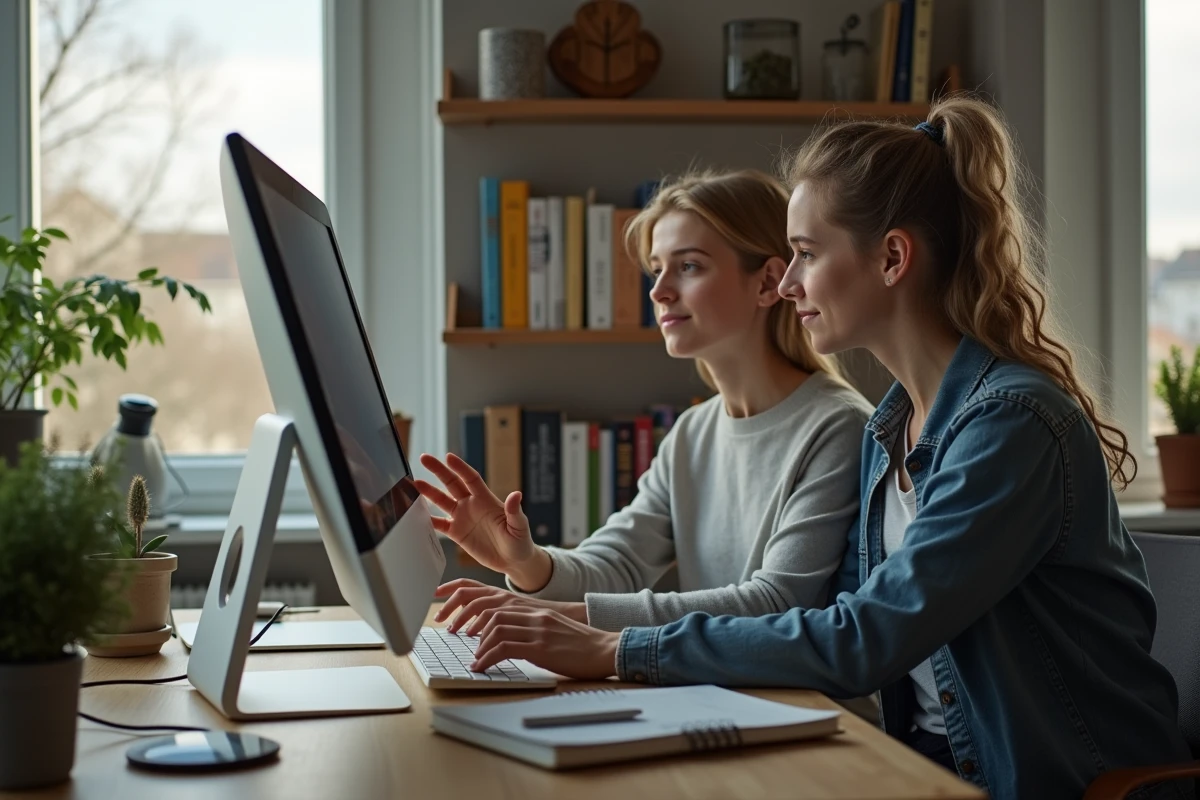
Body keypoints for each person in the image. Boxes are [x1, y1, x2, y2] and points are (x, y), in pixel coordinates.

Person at [455, 97, 1195, 800]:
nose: (789, 283)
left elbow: (863, 638)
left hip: (1048, 780)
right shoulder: (888, 433)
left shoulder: (1009, 425)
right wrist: (559, 596)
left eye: (806, 254)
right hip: (929, 760)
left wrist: (616, 648)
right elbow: (837, 619)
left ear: (892, 258)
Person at [415, 169, 874, 637]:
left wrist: (568, 619)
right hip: (710, 679)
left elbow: (776, 604)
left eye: (689, 266)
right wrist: (526, 561)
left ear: (767, 282)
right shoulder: (693, 433)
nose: (659, 291)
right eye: (657, 269)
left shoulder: (839, 426)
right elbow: (620, 562)